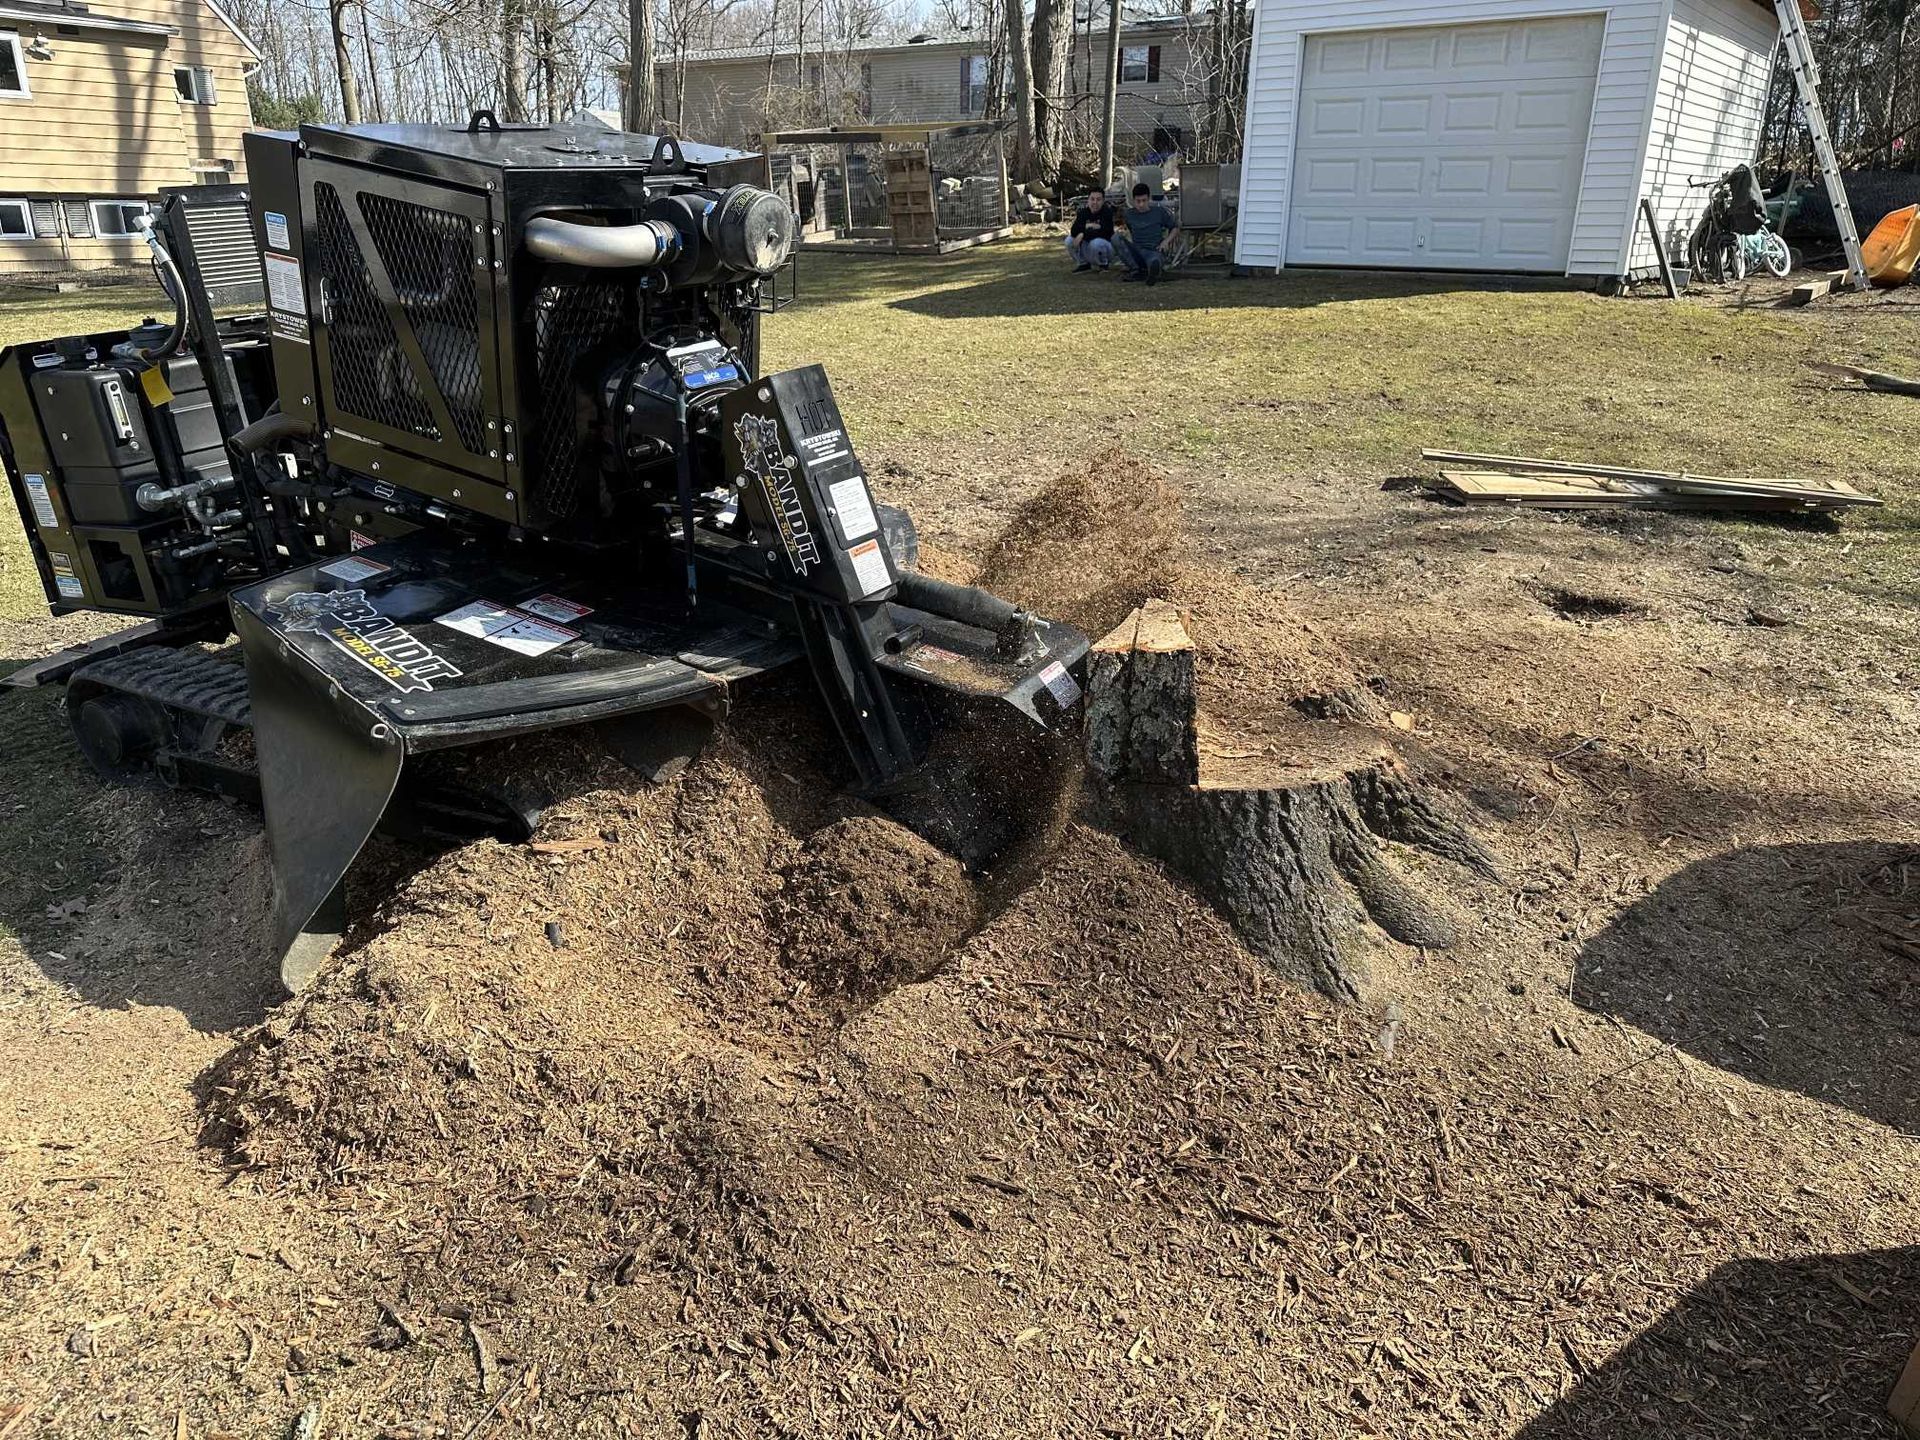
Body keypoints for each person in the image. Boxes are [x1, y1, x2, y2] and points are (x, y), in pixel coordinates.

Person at [1115, 183, 1180, 286]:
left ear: (1149, 199)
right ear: (1133, 200)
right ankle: (1136, 270)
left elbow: (1175, 228)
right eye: (1138, 201)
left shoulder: (1159, 212)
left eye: (1144, 201)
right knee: (1116, 238)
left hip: (1154, 249)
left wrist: (1166, 241)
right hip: (1137, 250)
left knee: (1154, 260)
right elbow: (1130, 229)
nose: (1141, 204)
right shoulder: (1129, 214)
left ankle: (1152, 272)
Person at [1067, 188, 1116, 271]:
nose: (1095, 202)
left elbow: (1106, 232)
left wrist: (1083, 234)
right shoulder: (1083, 213)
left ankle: (1103, 264)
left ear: (1103, 201)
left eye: (1098, 199)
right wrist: (1089, 226)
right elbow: (1074, 230)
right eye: (1092, 199)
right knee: (1069, 240)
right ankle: (1083, 264)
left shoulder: (1107, 212)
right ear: (1088, 200)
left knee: (1096, 243)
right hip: (1089, 247)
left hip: (1106, 248)